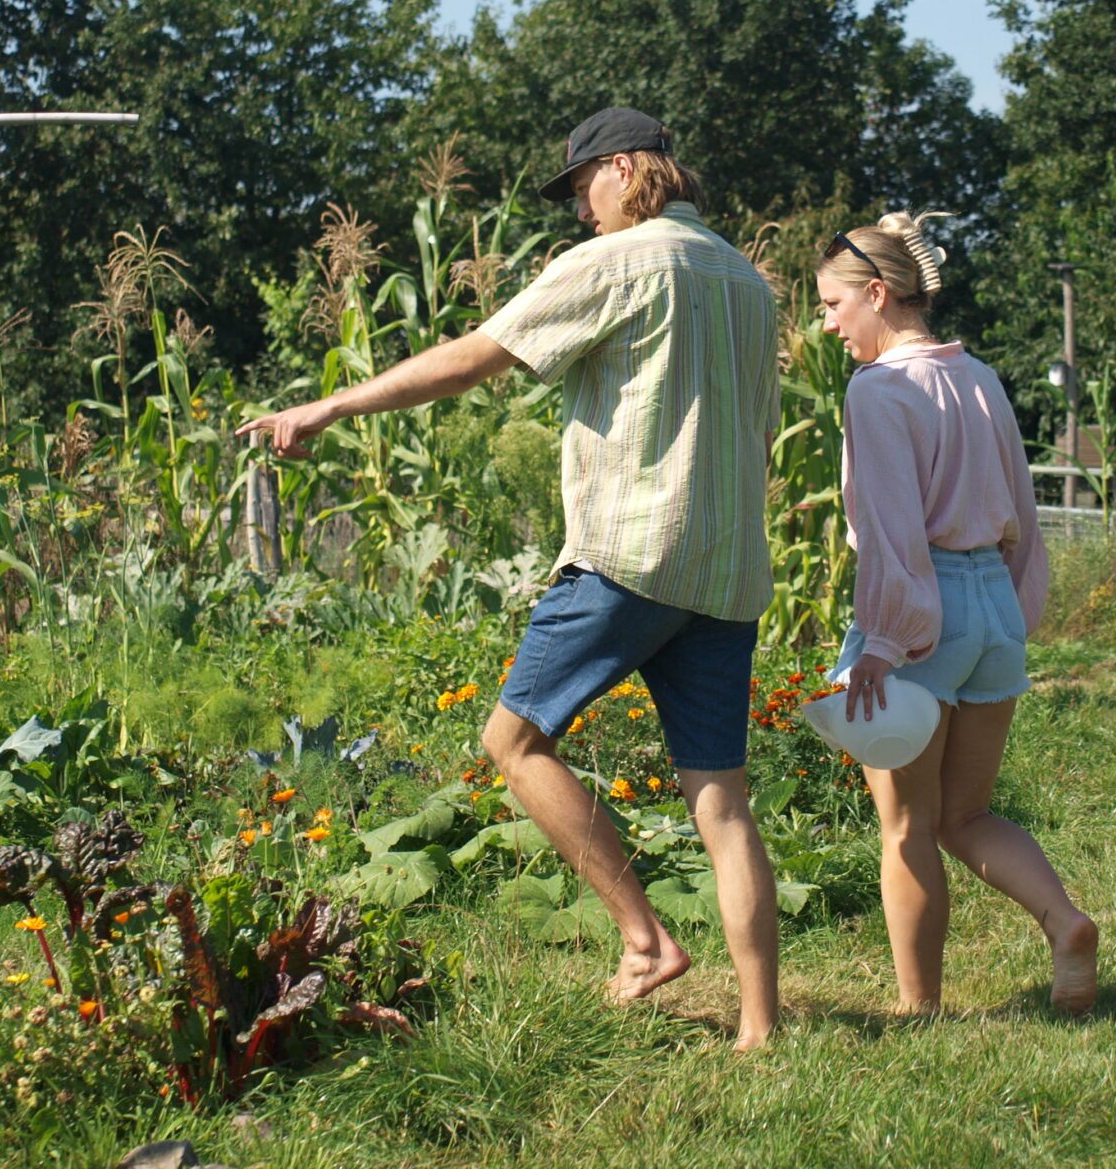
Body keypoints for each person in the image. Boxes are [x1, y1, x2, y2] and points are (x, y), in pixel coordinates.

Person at [239, 107, 783, 1049]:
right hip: (729, 570)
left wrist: (332, 403)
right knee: (722, 802)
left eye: (582, 188)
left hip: (628, 553)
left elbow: (474, 357)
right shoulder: (745, 278)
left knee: (514, 741)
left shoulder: (618, 262)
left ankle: (645, 940)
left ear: (623, 169)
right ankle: (762, 1028)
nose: (581, 211)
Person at [816, 211, 1098, 1017]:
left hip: (922, 612)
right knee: (968, 813)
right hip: (994, 608)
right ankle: (1063, 920)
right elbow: (1023, 509)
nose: (827, 324)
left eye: (834, 305)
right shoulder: (979, 376)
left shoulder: (879, 390)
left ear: (877, 293)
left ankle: (920, 1007)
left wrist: (881, 643)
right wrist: (1013, 611)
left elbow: (891, 533)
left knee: (906, 826)